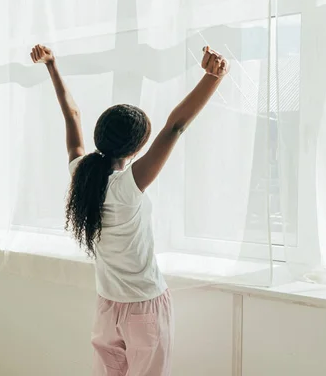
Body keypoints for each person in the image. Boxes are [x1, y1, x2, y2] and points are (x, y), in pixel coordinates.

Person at [30, 44, 228, 376]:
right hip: (144, 308)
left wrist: (52, 65)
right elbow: (174, 128)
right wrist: (213, 77)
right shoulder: (127, 186)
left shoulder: (82, 174)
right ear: (136, 149)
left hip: (107, 307)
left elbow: (71, 114)